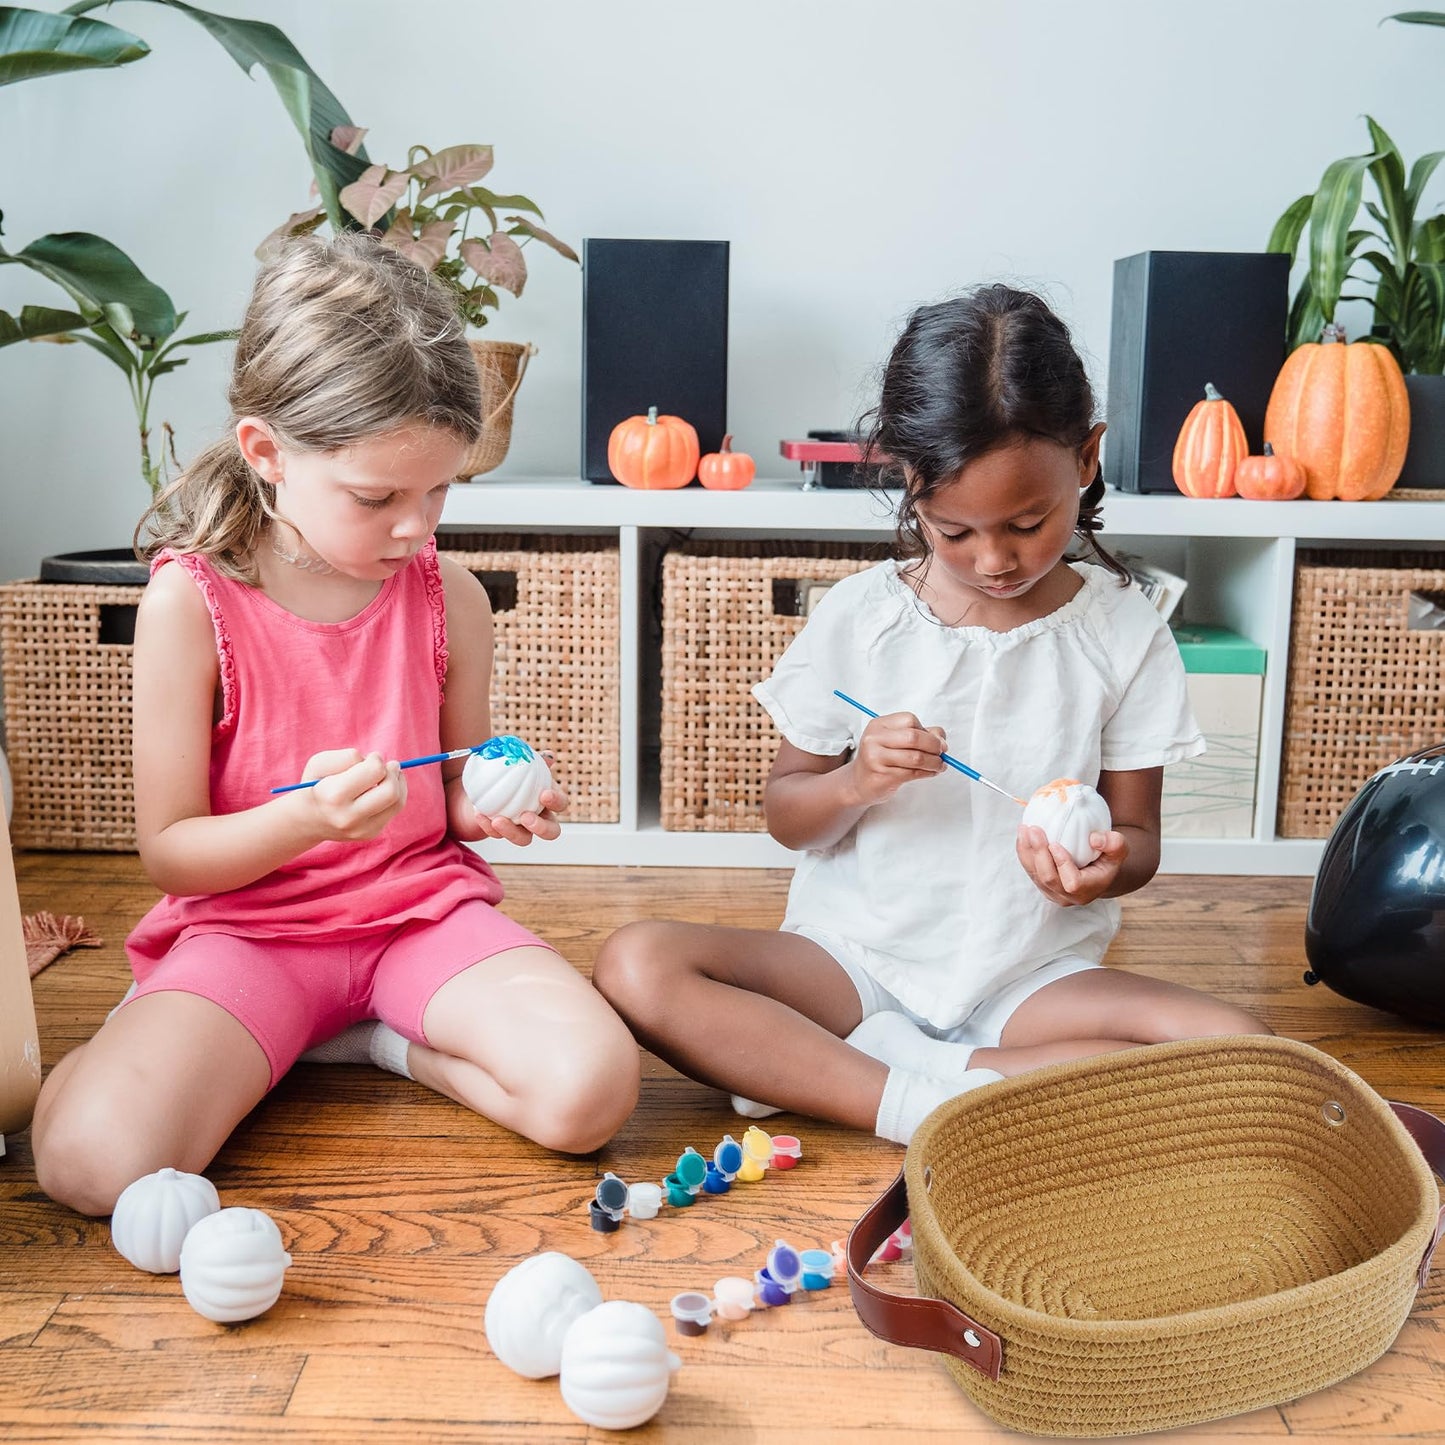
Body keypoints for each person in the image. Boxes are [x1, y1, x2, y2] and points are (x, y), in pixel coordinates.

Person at [32, 234, 639, 1216]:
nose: (415, 527)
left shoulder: (450, 596)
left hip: (415, 919)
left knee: (590, 1092)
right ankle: (207, 1036)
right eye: (376, 497)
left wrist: (489, 805)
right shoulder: (190, 605)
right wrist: (304, 820)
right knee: (90, 1164)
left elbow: (447, 791)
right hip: (249, 935)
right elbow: (171, 851)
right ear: (266, 452)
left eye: (438, 491)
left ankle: (382, 1042)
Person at [594, 284, 1270, 1146]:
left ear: (1086, 457)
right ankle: (920, 1102)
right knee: (637, 963)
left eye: (1027, 522)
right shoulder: (863, 617)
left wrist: (1101, 868)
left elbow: (1138, 840)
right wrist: (855, 780)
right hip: (852, 962)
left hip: (1029, 978)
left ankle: (879, 1070)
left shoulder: (1122, 630)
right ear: (907, 483)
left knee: (1239, 1047)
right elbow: (787, 817)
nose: (994, 560)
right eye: (953, 532)